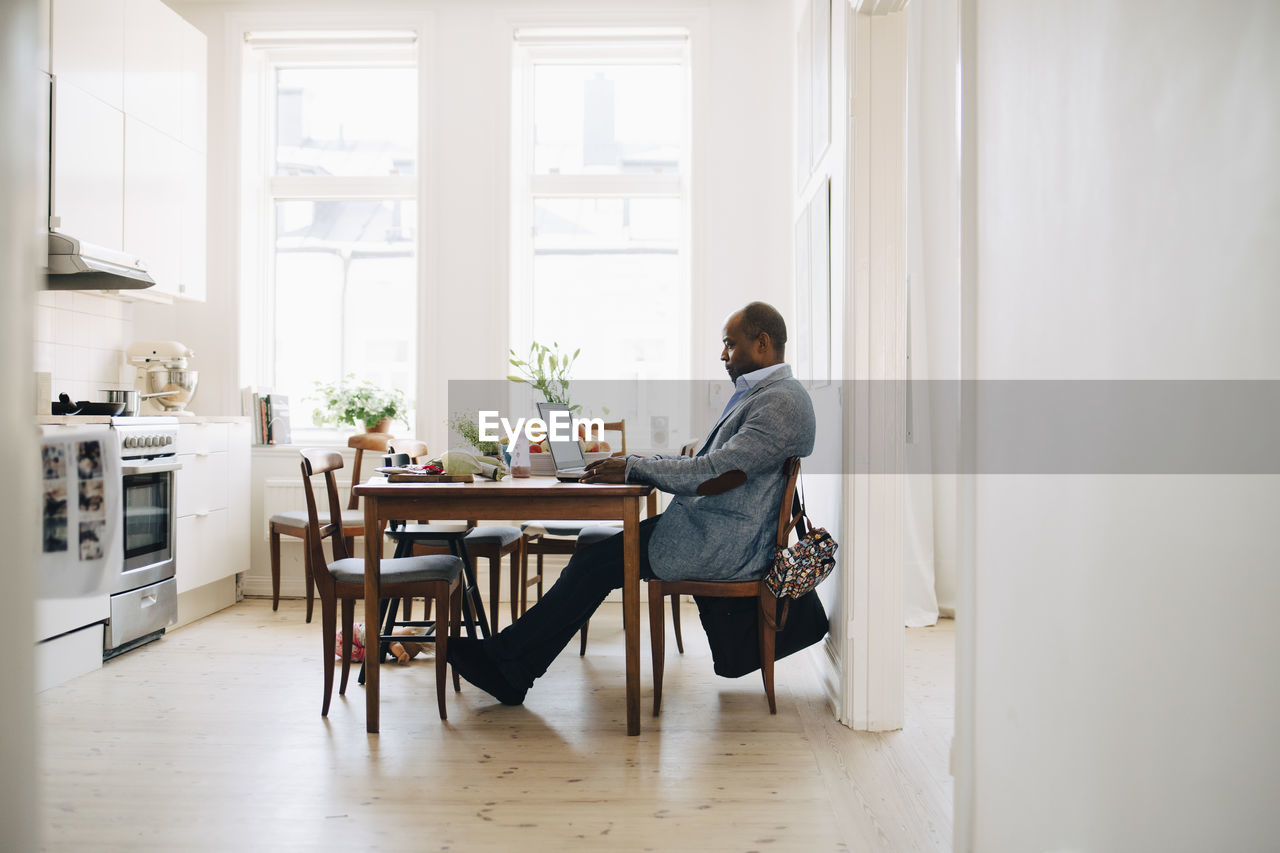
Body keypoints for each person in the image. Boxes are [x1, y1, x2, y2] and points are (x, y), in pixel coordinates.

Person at [447, 301, 816, 705]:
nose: (723, 355)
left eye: (730, 345)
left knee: (594, 562)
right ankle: (510, 665)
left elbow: (714, 473)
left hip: (722, 542)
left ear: (762, 343)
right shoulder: (765, 395)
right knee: (594, 557)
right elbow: (700, 460)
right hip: (711, 527)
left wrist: (634, 468)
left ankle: (508, 667)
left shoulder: (780, 402)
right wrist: (634, 462)